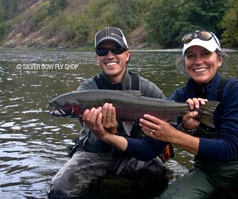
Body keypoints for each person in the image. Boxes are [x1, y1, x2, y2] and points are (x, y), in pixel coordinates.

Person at [139, 30, 238, 199]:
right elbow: (148, 148)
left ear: (219, 60)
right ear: (185, 63)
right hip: (206, 171)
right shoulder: (179, 97)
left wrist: (174, 135)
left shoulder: (237, 91)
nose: (198, 61)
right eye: (191, 56)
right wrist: (107, 135)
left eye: (205, 54)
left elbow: (228, 148)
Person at [48, 27, 171, 198]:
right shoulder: (86, 91)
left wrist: (187, 125)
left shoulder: (146, 89)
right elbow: (89, 139)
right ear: (97, 58)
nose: (110, 55)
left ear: (127, 55)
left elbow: (170, 121)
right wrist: (102, 132)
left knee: (159, 174)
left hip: (133, 154)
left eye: (116, 49)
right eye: (102, 51)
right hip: (95, 155)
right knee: (59, 190)